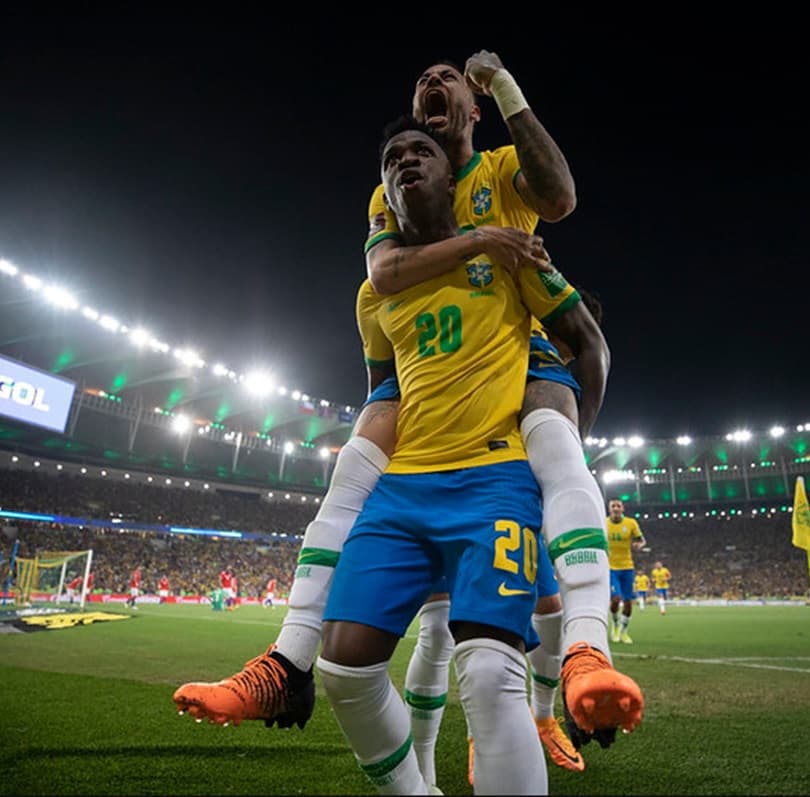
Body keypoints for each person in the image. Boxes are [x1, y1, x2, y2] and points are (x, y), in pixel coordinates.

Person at [174, 51, 633, 766]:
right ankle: (292, 663)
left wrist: (503, 86)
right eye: (420, 82)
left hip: (511, 364)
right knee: (371, 477)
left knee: (504, 619)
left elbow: (562, 200)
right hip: (427, 417)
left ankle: (578, 660)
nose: (429, 84)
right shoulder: (389, 208)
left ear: (471, 112)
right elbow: (382, 277)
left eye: (445, 77)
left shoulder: (501, 171)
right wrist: (479, 238)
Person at [316, 117, 637, 795]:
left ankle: (581, 657)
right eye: (392, 157)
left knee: (490, 675)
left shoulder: (510, 256)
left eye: (421, 151)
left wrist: (561, 442)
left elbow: (588, 342)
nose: (407, 161)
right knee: (341, 667)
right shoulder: (376, 293)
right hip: (404, 489)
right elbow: (380, 391)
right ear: (383, 195)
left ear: (450, 175)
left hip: (494, 477)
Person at [606, 499, 645, 644]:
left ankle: (623, 632)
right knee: (615, 599)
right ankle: (615, 626)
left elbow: (642, 540)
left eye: (618, 506)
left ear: (623, 509)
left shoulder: (631, 523)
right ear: (609, 509)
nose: (616, 508)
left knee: (628, 603)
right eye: (613, 506)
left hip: (627, 566)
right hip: (611, 568)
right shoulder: (604, 523)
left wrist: (638, 545)